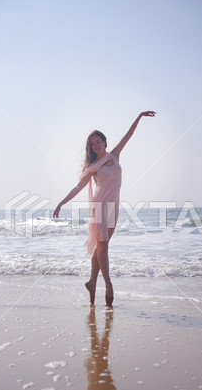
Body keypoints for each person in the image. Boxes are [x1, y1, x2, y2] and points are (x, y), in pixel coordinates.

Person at [53, 111, 156, 306]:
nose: (96, 145)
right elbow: (77, 187)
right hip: (101, 207)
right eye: (93, 143)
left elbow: (128, 135)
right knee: (104, 245)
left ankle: (92, 282)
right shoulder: (92, 167)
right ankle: (108, 284)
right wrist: (61, 203)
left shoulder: (114, 155)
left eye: (98, 141)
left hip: (113, 207)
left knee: (101, 247)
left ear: (105, 142)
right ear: (91, 148)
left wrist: (140, 117)